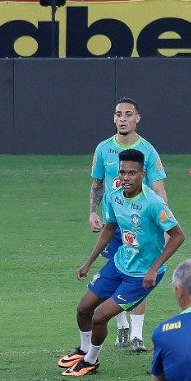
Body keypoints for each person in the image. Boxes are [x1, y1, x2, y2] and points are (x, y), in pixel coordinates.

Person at [61, 149, 185, 377]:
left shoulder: (153, 203)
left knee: (99, 317)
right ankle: (83, 349)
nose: (126, 177)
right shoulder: (114, 196)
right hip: (119, 264)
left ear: (142, 174)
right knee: (83, 309)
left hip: (141, 275)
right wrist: (89, 262)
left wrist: (154, 268)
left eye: (132, 173)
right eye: (122, 172)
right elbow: (109, 228)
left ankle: (91, 360)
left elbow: (178, 236)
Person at [73, 97, 169, 356]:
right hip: (113, 225)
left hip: (138, 226)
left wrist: (161, 218)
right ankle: (121, 324)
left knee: (137, 274)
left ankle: (136, 334)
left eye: (128, 114)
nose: (123, 118)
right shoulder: (103, 149)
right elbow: (97, 184)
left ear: (138, 118)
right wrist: (93, 211)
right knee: (115, 273)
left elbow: (158, 187)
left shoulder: (148, 151)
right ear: (114, 118)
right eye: (118, 114)